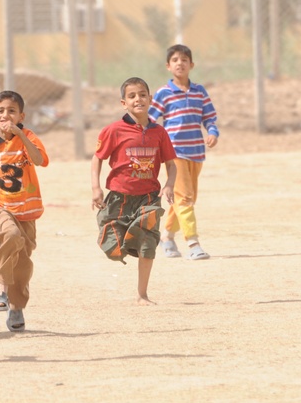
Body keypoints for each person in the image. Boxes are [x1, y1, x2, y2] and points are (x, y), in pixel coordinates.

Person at [91, 77, 177, 305]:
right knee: (113, 249)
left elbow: (171, 164)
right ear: (123, 103)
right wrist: (96, 188)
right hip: (119, 198)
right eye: (132, 96)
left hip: (149, 197)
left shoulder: (159, 132)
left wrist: (169, 184)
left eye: (142, 94)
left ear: (150, 98)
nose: (137, 99)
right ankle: (125, 242)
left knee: (149, 244)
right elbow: (97, 159)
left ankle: (142, 295)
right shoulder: (113, 131)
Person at [0, 90, 50, 332]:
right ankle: (0, 289)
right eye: (1, 111)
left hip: (26, 210)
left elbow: (39, 160)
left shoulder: (28, 136)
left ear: (21, 116)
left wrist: (20, 135)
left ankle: (16, 308)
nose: (6, 115)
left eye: (12, 111)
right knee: (10, 235)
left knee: (23, 263)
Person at [148, 44, 219, 260]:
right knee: (185, 198)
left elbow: (209, 117)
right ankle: (193, 243)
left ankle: (167, 236)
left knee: (186, 199)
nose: (180, 63)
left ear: (191, 65)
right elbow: (151, 119)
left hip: (196, 152)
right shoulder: (164, 93)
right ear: (168, 66)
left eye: (184, 60)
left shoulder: (199, 92)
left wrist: (213, 132)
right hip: (174, 154)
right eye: (175, 60)